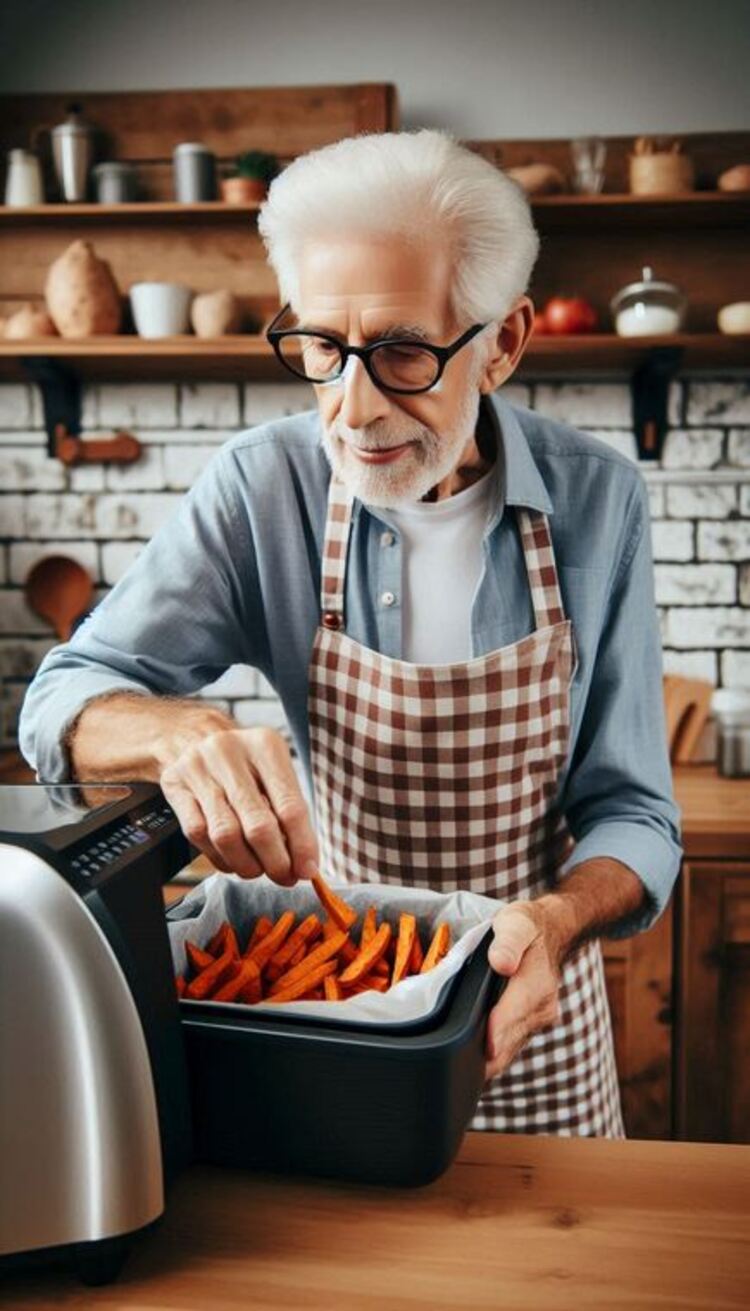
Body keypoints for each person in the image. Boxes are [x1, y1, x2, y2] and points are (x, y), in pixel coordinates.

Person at [19, 129, 682, 1136]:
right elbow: (62, 696)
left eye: (404, 352)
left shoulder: (598, 501)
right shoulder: (263, 486)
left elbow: (635, 810)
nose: (353, 409)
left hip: (533, 1020)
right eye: (323, 347)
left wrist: (560, 918)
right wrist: (179, 735)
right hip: (344, 1023)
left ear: (502, 344)